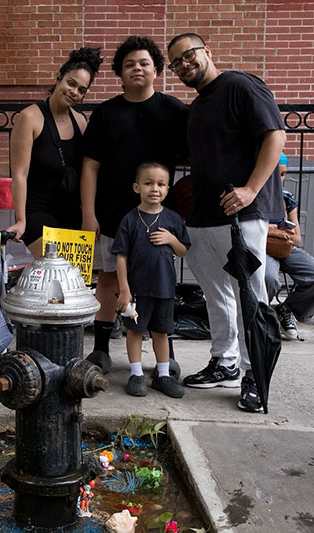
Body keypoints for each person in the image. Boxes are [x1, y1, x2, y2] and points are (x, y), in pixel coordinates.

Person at [167, 33, 286, 413]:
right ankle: (225, 361)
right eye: (177, 63)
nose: (185, 65)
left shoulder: (239, 84)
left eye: (190, 55)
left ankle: (254, 375)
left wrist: (252, 189)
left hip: (242, 215)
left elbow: (275, 135)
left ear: (207, 52)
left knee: (249, 296)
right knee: (217, 295)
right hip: (203, 216)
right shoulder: (199, 105)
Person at [81, 36, 188, 371]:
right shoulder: (105, 114)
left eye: (144, 63)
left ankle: (163, 355)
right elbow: (89, 167)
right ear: (120, 74)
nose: (137, 68)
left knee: (159, 283)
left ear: (156, 70)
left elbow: (198, 154)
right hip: (112, 213)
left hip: (159, 219)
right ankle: (101, 348)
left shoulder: (174, 110)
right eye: (129, 64)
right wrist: (88, 214)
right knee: (109, 279)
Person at [7, 46, 103, 259]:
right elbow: (19, 175)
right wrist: (21, 220)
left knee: (75, 283)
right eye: (71, 83)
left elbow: (89, 170)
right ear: (59, 78)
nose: (74, 92)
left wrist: (90, 215)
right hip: (38, 210)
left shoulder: (80, 121)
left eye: (81, 90)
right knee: (57, 271)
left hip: (71, 212)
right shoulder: (30, 118)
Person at [112, 162, 190, 398]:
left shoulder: (173, 219)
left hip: (165, 288)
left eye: (161, 184)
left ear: (167, 189)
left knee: (161, 332)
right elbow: (121, 257)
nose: (154, 188)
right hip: (137, 290)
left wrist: (170, 239)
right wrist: (124, 290)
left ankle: (163, 375)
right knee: (135, 331)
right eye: (148, 183)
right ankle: (136, 374)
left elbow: (183, 250)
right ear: (137, 187)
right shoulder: (130, 220)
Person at [265, 153, 314, 340]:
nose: (279, 180)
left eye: (282, 175)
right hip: (262, 248)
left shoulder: (287, 198)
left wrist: (284, 231)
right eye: (274, 174)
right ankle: (261, 318)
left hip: (285, 247)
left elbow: (297, 239)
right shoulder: (252, 196)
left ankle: (288, 310)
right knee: (269, 278)